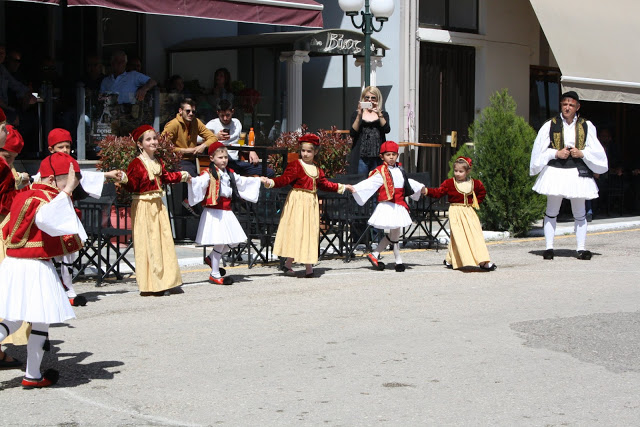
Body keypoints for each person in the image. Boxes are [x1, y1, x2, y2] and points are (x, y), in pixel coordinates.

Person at [0, 152, 86, 387]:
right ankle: (32, 375)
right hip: (35, 266)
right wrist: (67, 191)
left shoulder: (24, 194)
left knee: (16, 320)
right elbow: (49, 219)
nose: (71, 186)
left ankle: (34, 375)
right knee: (38, 321)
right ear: (51, 180)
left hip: (14, 263)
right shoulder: (45, 198)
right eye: (66, 179)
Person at [32, 128, 123, 306]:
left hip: (67, 215)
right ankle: (49, 289)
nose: (65, 150)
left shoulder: (71, 163)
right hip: (49, 217)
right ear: (51, 149)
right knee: (49, 254)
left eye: (67, 146)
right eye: (60, 147)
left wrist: (106, 175)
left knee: (68, 254)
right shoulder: (45, 165)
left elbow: (84, 177)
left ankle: (68, 288)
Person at [530, 91, 608, 260]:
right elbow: (539, 150)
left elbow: (596, 150)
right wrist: (555, 153)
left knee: (580, 212)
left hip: (577, 172)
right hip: (556, 171)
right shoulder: (550, 125)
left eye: (571, 105)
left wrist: (583, 153)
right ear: (561, 105)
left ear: (577, 107)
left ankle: (581, 248)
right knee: (552, 211)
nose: (567, 107)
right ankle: (549, 247)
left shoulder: (586, 125)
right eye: (565, 104)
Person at [263, 133, 354, 278]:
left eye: (309, 151)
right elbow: (284, 179)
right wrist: (271, 182)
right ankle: (304, 266)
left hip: (310, 202)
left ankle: (298, 264)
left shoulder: (317, 170)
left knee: (309, 232)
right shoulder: (296, 165)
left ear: (315, 152)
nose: (305, 154)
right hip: (297, 201)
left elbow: (325, 184)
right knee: (297, 230)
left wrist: (343, 187)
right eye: (303, 150)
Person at [121, 125, 191, 296]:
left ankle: (167, 280)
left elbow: (165, 177)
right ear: (140, 144)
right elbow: (133, 185)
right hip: (144, 206)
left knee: (163, 241)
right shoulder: (136, 164)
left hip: (158, 204)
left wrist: (182, 175)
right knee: (149, 243)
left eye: (154, 138)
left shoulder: (157, 161)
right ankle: (154, 284)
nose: (153, 142)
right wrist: (123, 179)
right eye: (149, 139)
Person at [187, 142, 262, 285]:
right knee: (220, 243)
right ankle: (214, 274)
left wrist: (259, 180)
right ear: (212, 158)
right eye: (220, 157)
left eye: (226, 157)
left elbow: (242, 181)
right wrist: (191, 180)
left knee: (235, 241)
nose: (224, 160)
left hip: (226, 211)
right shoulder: (208, 173)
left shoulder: (229, 173)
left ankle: (211, 258)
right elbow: (200, 182)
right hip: (215, 211)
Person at [351, 141, 426, 272]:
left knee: (394, 234)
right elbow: (370, 183)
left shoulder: (400, 169)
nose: (391, 157)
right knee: (395, 235)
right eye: (388, 154)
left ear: (397, 155)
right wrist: (356, 188)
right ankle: (398, 261)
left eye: (394, 154)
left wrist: (420, 187)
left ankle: (375, 254)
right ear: (382, 156)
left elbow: (407, 182)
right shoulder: (380, 171)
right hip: (389, 205)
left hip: (399, 204)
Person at [424, 156, 497, 271]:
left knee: (476, 235)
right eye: (456, 171)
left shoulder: (475, 184)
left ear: (468, 171)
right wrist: (426, 191)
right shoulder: (449, 183)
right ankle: (465, 260)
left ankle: (480, 260)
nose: (457, 173)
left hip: (469, 211)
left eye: (461, 171)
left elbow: (482, 192)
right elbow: (438, 192)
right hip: (456, 211)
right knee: (459, 237)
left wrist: (474, 202)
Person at [205, 99, 275, 177]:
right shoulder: (212, 124)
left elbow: (240, 143)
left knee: (269, 172)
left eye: (227, 115)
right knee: (231, 176)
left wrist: (251, 150)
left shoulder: (237, 123)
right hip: (222, 163)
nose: (225, 118)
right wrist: (215, 137)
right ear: (218, 113)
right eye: (222, 115)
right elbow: (198, 139)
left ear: (232, 112)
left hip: (236, 162)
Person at [348, 86, 390, 175]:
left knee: (376, 182)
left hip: (377, 156)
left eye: (373, 98)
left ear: (378, 99)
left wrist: (379, 114)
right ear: (363, 99)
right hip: (361, 157)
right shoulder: (357, 114)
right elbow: (352, 132)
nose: (370, 100)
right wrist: (359, 115)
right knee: (361, 182)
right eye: (367, 98)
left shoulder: (383, 114)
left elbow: (386, 129)